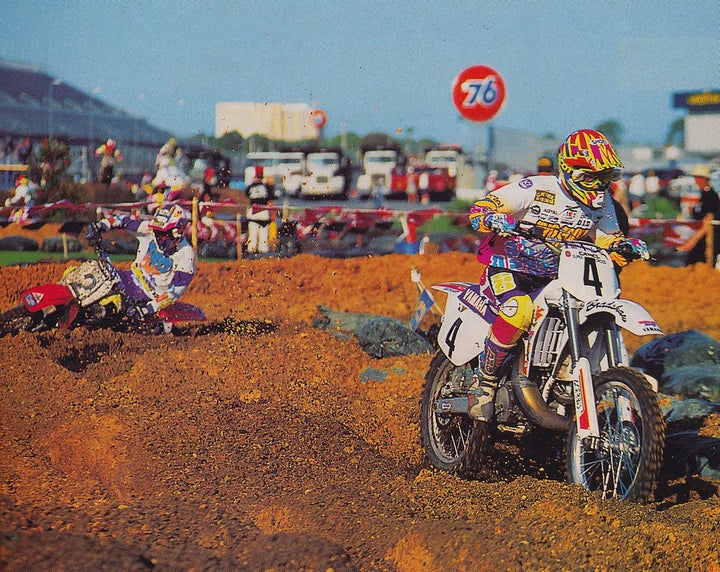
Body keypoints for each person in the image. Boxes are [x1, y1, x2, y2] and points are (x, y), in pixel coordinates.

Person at [466, 128, 649, 422]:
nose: (597, 186)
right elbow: (482, 207)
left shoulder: (602, 206)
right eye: (591, 177)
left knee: (578, 312)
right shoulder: (534, 188)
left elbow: (608, 243)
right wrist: (492, 216)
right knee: (519, 311)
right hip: (510, 266)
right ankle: (484, 384)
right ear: (570, 170)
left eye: (603, 179)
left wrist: (623, 249)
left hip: (559, 275)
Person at [85, 204, 195, 320]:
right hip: (128, 277)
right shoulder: (149, 229)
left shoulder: (186, 256)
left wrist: (149, 308)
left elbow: (174, 292)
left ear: (178, 231)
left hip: (146, 297)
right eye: (158, 233)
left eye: (165, 235)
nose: (159, 238)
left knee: (113, 303)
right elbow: (123, 220)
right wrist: (102, 225)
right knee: (93, 271)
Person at [677, 164, 720, 265]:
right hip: (701, 238)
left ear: (704, 179)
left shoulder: (710, 196)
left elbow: (707, 222)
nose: (696, 180)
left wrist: (692, 241)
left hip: (707, 240)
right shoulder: (704, 195)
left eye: (698, 177)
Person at [245, 165, 273, 254]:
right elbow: (270, 199)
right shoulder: (266, 186)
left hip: (253, 213)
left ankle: (251, 252)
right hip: (263, 214)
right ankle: (262, 253)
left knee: (253, 236)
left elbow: (246, 194)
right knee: (263, 236)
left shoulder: (250, 186)